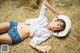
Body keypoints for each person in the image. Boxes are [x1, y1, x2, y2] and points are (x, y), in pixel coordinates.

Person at [0, 0, 72, 53]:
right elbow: (45, 3)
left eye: (58, 29)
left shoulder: (47, 35)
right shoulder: (43, 18)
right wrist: (55, 12)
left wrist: (39, 48)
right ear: (55, 20)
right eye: (58, 24)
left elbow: (32, 42)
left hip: (15, 36)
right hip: (13, 24)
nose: (57, 27)